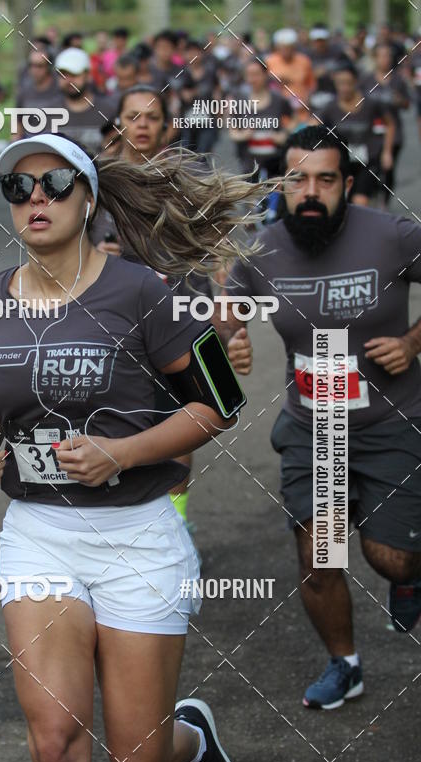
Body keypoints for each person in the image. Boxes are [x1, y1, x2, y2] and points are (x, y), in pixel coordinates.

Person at [0, 132, 268, 762]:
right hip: (39, 534)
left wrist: (120, 454)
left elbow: (221, 402)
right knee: (55, 746)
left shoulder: (141, 292)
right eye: (19, 183)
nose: (35, 196)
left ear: (88, 198)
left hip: (136, 533)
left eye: (55, 182)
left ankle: (192, 742)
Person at [226, 126, 421, 709]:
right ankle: (346, 664)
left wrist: (414, 342)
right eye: (296, 179)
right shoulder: (261, 250)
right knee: (320, 557)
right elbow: (225, 314)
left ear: (348, 184)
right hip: (316, 429)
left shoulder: (389, 236)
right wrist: (231, 336)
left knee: (390, 557)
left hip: (393, 421)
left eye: (325, 179)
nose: (309, 191)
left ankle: (407, 573)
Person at [92, 85, 253, 527]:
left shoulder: (186, 183)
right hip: (113, 325)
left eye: (151, 116)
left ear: (166, 126)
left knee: (183, 418)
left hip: (181, 319)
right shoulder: (94, 186)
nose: (142, 124)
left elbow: (220, 256)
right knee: (115, 424)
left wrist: (233, 323)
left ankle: (174, 525)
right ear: (118, 124)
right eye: (132, 115)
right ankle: (117, 523)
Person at [319, 62, 394, 206]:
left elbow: (390, 124)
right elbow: (313, 126)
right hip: (342, 163)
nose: (345, 88)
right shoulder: (330, 107)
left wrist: (387, 152)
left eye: (348, 83)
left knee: (360, 201)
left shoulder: (370, 103)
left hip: (367, 161)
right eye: (341, 83)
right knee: (341, 203)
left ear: (356, 82)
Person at [360, 43, 410, 207]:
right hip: (371, 133)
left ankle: (384, 203)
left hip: (394, 132)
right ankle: (371, 198)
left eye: (388, 55)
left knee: (388, 169)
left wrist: (399, 100)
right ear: (375, 58)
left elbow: (407, 104)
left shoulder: (398, 80)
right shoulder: (366, 80)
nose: (385, 59)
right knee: (372, 167)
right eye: (381, 55)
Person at [52, 48, 116, 156]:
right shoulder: (48, 113)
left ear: (88, 76)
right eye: (63, 75)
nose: (68, 81)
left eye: (74, 74)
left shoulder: (109, 111)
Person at [265, 28, 316, 120]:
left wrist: (307, 101)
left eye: (289, 46)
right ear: (277, 46)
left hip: (301, 112)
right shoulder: (269, 61)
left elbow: (311, 85)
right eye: (283, 46)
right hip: (278, 112)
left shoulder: (304, 61)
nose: (286, 50)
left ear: (294, 46)